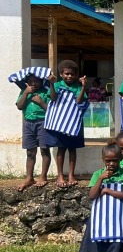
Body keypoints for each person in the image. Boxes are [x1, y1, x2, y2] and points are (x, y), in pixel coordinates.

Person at [77, 143, 123, 252]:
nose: (112, 164)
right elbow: (92, 195)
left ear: (120, 159)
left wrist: (108, 191)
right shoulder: (97, 174)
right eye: (108, 161)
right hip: (100, 218)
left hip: (117, 218)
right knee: (100, 247)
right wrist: (101, 179)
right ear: (103, 160)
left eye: (115, 160)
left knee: (118, 243)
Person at [46, 60, 87, 188]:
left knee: (72, 149)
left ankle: (71, 175)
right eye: (66, 74)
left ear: (76, 75)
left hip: (73, 123)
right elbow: (52, 98)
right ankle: (60, 175)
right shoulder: (57, 85)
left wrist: (84, 87)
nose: (69, 76)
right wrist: (51, 84)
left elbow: (79, 101)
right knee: (61, 149)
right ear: (61, 74)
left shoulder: (78, 87)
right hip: (60, 123)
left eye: (72, 74)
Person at [16, 73, 51, 191]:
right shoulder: (24, 91)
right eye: (30, 81)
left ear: (41, 82)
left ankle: (43, 177)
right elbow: (20, 106)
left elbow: (51, 110)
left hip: (43, 123)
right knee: (30, 152)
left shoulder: (45, 92)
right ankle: (29, 178)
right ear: (27, 82)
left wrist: (41, 102)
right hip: (28, 124)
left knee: (44, 150)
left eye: (36, 81)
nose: (33, 83)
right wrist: (26, 92)